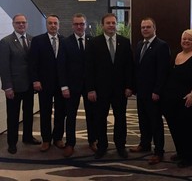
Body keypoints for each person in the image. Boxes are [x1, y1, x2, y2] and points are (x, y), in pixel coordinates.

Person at [86, 13, 134, 159]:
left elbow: (129, 67)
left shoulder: (125, 42)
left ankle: (120, 146)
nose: (111, 25)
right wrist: (90, 89)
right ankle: (102, 146)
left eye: (113, 23)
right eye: (108, 23)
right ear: (103, 26)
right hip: (100, 90)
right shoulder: (94, 43)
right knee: (100, 118)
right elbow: (89, 68)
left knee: (121, 119)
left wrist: (129, 86)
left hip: (120, 90)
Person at [162, 29, 192, 168]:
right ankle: (181, 152)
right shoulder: (178, 55)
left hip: (190, 102)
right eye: (184, 39)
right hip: (174, 102)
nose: (186, 41)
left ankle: (190, 158)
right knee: (177, 128)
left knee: (191, 130)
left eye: (190, 39)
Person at [130, 17, 171, 165]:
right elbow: (137, 69)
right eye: (143, 27)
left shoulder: (162, 46)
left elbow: (163, 71)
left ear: (154, 28)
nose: (145, 30)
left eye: (148, 27)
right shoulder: (140, 44)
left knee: (155, 122)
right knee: (143, 120)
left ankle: (159, 151)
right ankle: (145, 144)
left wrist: (157, 91)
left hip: (154, 93)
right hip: (141, 92)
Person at [58, 13, 97, 157]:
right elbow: (61, 66)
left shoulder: (92, 41)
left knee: (91, 115)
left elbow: (95, 66)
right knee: (71, 116)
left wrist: (94, 87)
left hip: (89, 86)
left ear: (86, 25)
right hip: (71, 86)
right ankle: (70, 143)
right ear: (72, 25)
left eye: (82, 24)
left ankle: (93, 140)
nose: (79, 26)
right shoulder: (65, 42)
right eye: (76, 24)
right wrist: (64, 86)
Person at [0, 14, 41, 154]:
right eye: (18, 23)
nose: (21, 25)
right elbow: (4, 67)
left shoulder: (32, 39)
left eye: (23, 22)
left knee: (28, 113)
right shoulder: (6, 42)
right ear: (13, 24)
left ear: (27, 24)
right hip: (14, 87)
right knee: (13, 116)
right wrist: (7, 87)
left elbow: (34, 63)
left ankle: (28, 137)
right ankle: (12, 143)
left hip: (29, 85)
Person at [29, 14, 66, 152]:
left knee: (61, 112)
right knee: (45, 112)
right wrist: (35, 80)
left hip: (61, 84)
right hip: (43, 84)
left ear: (59, 25)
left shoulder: (64, 40)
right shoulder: (38, 40)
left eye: (55, 23)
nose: (53, 25)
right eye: (50, 23)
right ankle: (46, 140)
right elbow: (33, 63)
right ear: (46, 24)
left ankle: (58, 138)